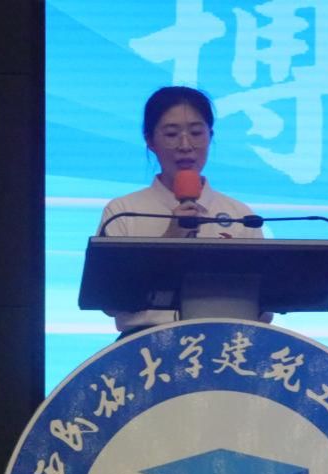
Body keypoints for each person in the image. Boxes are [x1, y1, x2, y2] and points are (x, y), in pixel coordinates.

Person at [97, 86, 266, 336]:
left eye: (196, 133)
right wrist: (169, 240)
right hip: (144, 346)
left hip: (225, 345)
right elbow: (110, 302)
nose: (185, 145)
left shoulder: (240, 215)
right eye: (171, 134)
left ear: (210, 136)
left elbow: (264, 310)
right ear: (149, 140)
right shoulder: (123, 212)